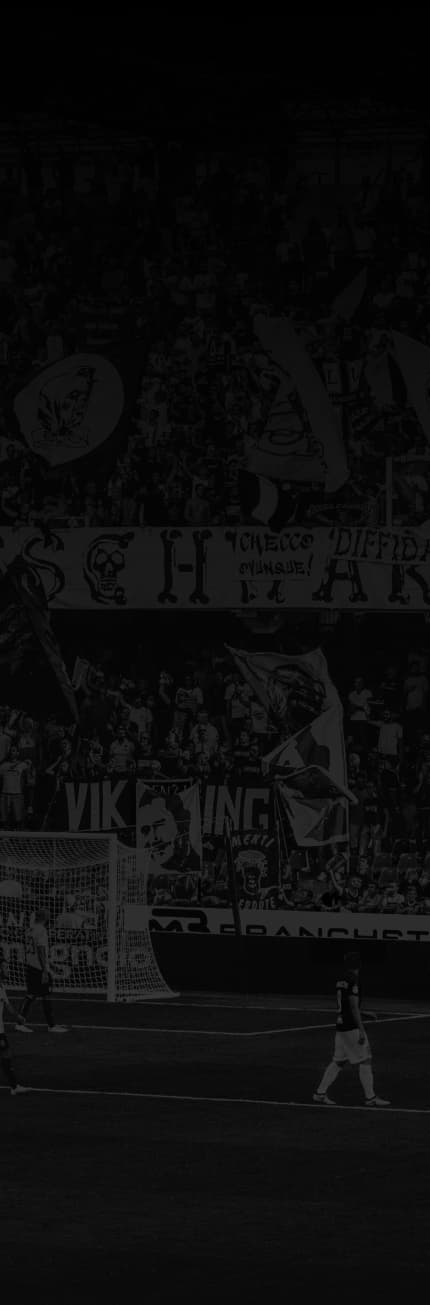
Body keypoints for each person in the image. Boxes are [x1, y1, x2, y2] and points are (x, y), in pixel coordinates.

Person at [313, 951, 390, 1108]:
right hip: (351, 1027)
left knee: (339, 1061)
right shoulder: (353, 980)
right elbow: (353, 1006)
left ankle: (320, 1094)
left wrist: (365, 1013)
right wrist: (361, 1029)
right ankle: (370, 1098)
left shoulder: (341, 980)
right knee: (366, 1059)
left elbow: (346, 1005)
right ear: (359, 965)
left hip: (341, 1025)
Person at [15, 909, 67, 1035]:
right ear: (45, 917)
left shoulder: (30, 929)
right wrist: (45, 970)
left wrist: (50, 965)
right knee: (45, 995)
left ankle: (20, 1023)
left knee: (31, 995)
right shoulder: (42, 930)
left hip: (31, 966)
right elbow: (41, 950)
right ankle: (51, 1026)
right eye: (49, 915)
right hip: (39, 968)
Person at [0, 951, 30, 1094]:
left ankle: (14, 1086)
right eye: (5, 967)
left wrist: (18, 1017)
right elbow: (8, 1007)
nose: (8, 970)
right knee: (6, 1054)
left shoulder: (1, 986)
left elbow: (7, 1006)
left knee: (6, 1054)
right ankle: (14, 1087)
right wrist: (19, 1018)